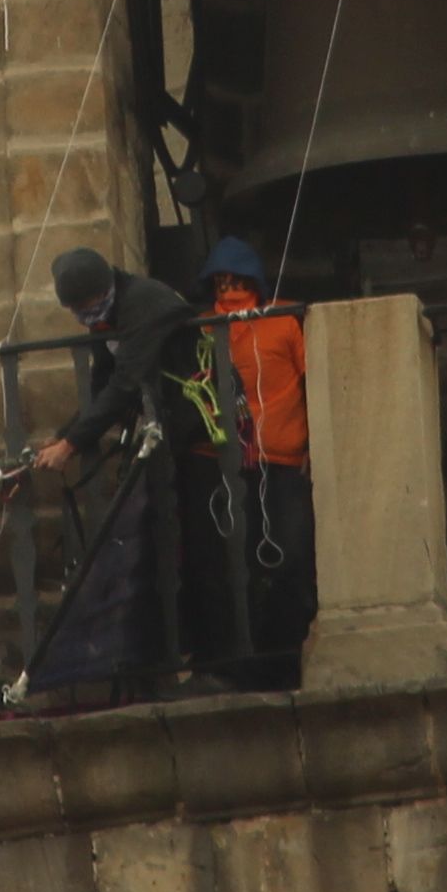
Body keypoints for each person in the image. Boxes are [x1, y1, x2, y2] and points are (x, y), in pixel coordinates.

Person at [13, 247, 219, 700]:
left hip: (196, 439)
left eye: (89, 305)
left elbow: (127, 382)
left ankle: (210, 661)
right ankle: (165, 659)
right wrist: (65, 436)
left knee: (201, 551)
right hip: (165, 442)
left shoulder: (144, 304)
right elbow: (105, 388)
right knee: (161, 548)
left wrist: (72, 444)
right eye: (78, 310)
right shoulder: (111, 317)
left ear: (105, 289)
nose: (86, 316)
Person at [194, 237, 314, 690]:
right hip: (219, 465)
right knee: (224, 572)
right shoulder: (202, 328)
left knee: (289, 563)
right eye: (221, 281)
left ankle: (280, 664)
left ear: (256, 282)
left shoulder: (283, 321)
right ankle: (230, 669)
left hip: (282, 462)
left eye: (237, 280)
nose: (229, 288)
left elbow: (313, 378)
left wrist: (315, 447)